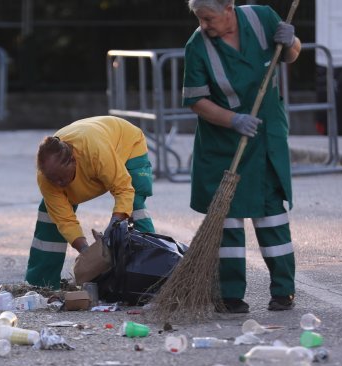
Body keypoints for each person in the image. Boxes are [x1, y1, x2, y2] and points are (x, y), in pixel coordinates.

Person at [182, 0, 302, 313]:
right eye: (199, 19)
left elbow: (288, 56)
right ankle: (230, 295)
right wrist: (234, 120)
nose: (204, 25)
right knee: (227, 219)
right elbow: (197, 101)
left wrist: (291, 43)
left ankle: (283, 291)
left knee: (270, 211)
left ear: (228, 8)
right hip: (223, 142)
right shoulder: (198, 45)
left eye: (208, 18)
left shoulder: (262, 18)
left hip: (266, 135)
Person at [25, 116, 155, 289]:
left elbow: (123, 188)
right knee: (50, 216)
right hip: (95, 153)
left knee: (134, 204)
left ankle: (152, 271)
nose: (58, 184)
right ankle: (41, 283)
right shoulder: (46, 178)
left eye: (61, 178)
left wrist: (114, 226)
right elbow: (65, 221)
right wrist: (88, 253)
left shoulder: (94, 151)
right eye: (52, 179)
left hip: (126, 144)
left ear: (73, 160)